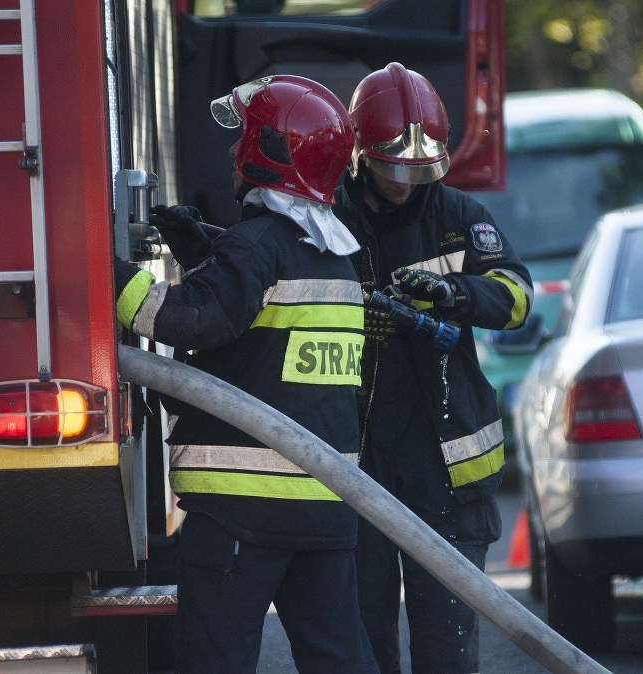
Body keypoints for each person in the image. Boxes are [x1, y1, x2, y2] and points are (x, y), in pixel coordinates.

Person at [112, 74, 376, 673]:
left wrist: (101, 270)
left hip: (241, 512)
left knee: (217, 662)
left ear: (269, 152)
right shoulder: (337, 257)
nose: (235, 153)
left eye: (245, 139)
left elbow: (191, 317)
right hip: (325, 507)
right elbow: (264, 335)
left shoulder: (257, 246)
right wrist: (207, 253)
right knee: (337, 660)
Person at [332, 62, 533, 674]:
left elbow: (517, 296)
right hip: (354, 463)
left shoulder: (457, 216)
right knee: (363, 644)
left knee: (447, 644)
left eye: (421, 168)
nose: (407, 181)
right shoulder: (329, 220)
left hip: (446, 472)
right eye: (395, 166)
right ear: (361, 154)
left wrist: (455, 295)